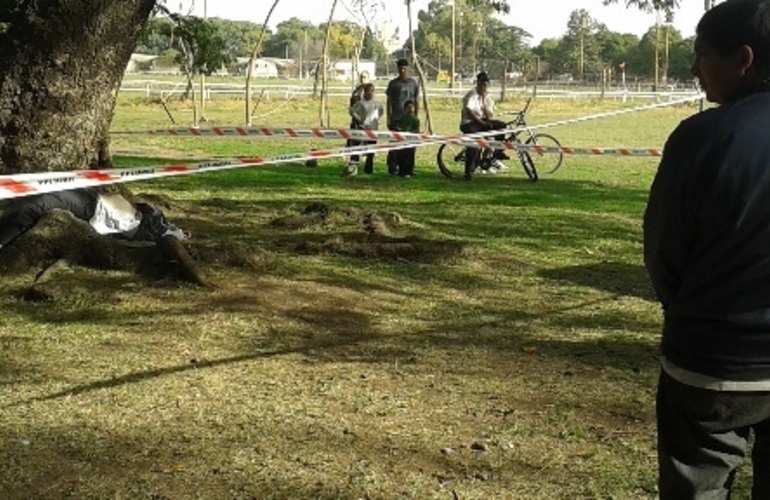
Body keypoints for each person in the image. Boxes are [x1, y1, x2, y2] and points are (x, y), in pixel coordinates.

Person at [643, 1, 770, 497]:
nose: (695, 69)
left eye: (702, 54)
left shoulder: (700, 137)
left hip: (710, 363)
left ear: (744, 59)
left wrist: (688, 311)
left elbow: (664, 250)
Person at [0, 187, 186, 249]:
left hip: (96, 208)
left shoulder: (152, 229)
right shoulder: (156, 221)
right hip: (96, 200)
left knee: (37, 206)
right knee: (34, 201)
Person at [459, 71, 510, 181]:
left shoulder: (487, 97)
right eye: (481, 85)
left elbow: (489, 115)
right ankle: (468, 172)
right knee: (474, 145)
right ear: (478, 83)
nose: (483, 87)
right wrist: (481, 123)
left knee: (501, 126)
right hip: (469, 123)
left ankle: (498, 152)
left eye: (485, 85)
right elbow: (469, 112)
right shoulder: (472, 95)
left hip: (481, 121)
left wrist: (483, 102)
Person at [386, 58, 420, 176]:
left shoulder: (413, 83)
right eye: (400, 69)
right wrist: (389, 117)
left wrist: (416, 116)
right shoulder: (393, 83)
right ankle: (392, 168)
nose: (402, 71)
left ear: (408, 69)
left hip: (409, 120)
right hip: (397, 118)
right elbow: (389, 101)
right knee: (394, 145)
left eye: (404, 69)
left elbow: (416, 100)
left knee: (410, 145)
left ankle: (407, 169)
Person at [344, 82, 384, 176]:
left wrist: (375, 119)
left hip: (373, 129)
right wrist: (359, 119)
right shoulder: (360, 103)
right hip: (361, 128)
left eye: (371, 92)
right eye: (367, 91)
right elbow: (351, 111)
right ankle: (353, 168)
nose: (369, 94)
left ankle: (369, 168)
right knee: (356, 147)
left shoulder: (377, 104)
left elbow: (381, 112)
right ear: (364, 92)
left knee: (371, 148)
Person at [395, 100, 420, 178]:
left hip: (411, 141)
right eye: (408, 107)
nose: (410, 109)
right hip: (402, 140)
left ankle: (409, 171)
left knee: (410, 156)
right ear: (405, 109)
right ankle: (401, 171)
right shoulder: (402, 118)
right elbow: (399, 127)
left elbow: (417, 130)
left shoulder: (415, 119)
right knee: (401, 156)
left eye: (411, 107)